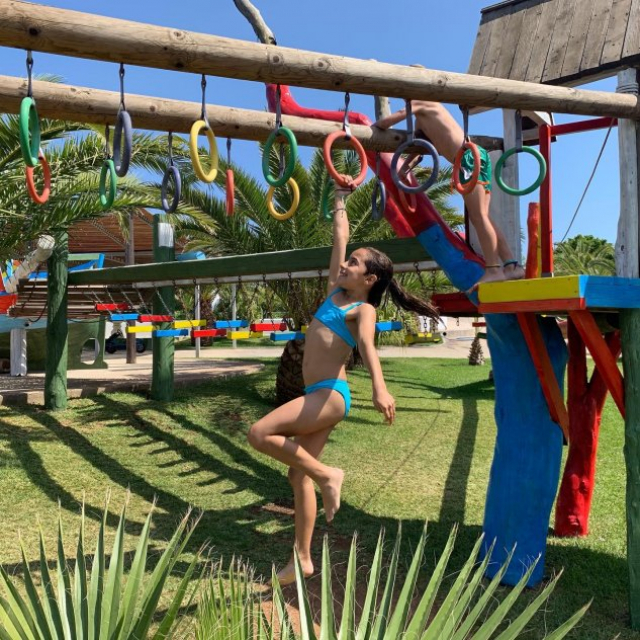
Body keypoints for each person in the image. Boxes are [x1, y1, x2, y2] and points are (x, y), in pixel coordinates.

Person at [247, 185, 438, 586]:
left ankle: (329, 476)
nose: (346, 264)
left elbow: (367, 345)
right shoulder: (335, 292)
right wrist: (338, 199)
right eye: (348, 260)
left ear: (369, 278)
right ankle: (302, 559)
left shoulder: (362, 309)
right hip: (320, 394)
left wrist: (380, 388)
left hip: (330, 395)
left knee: (260, 433)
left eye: (354, 263)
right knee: (297, 477)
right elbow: (340, 236)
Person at [374, 101, 525, 289]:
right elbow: (419, 149)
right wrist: (403, 170)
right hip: (468, 159)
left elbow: (386, 122)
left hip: (468, 158)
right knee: (482, 217)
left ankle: (494, 270)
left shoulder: (422, 101)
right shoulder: (422, 117)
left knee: (479, 217)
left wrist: (371, 131)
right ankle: (511, 265)